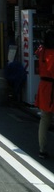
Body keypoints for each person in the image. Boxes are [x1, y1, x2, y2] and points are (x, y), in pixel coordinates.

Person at [35, 29, 54, 159]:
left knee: (44, 118)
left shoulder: (42, 51)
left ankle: (42, 149)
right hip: (52, 86)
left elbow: (37, 52)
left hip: (43, 86)